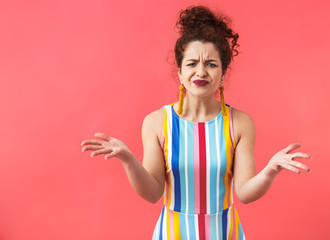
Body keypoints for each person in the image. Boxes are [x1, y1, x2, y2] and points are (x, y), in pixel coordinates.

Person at [80, 5, 312, 240]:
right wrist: (128, 159)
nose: (200, 72)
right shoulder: (156, 122)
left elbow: (244, 193)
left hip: (225, 233)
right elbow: (152, 193)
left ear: (222, 74)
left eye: (211, 64)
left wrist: (270, 170)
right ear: (180, 73)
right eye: (192, 64)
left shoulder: (240, 123)